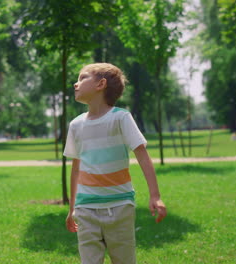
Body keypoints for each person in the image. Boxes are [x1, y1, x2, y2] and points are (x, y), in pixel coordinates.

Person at [64, 63, 167, 264]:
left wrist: (155, 196)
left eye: (82, 78)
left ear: (100, 84)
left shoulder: (121, 118)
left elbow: (143, 156)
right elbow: (76, 169)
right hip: (85, 209)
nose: (75, 84)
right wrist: (71, 209)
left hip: (120, 206)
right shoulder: (75, 125)